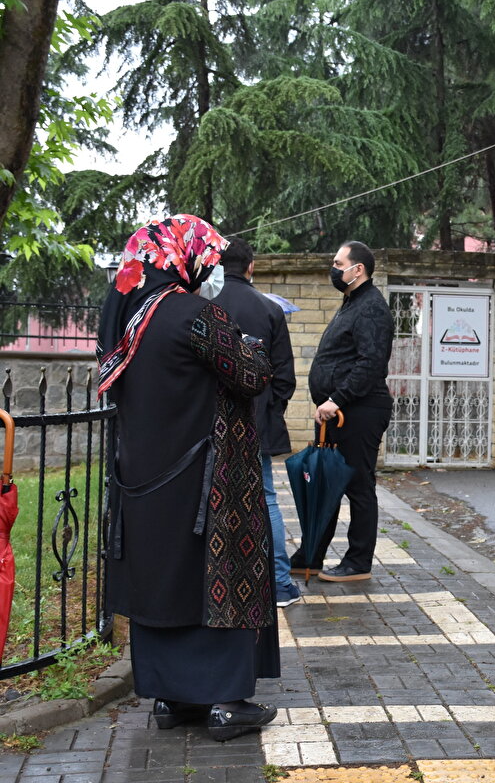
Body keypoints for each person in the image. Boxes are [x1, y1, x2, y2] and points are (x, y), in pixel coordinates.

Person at [98, 215, 279, 742]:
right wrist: (255, 348)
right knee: (209, 579)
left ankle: (172, 699)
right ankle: (225, 703)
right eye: (208, 257)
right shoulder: (196, 314)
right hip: (206, 482)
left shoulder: (129, 320)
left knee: (161, 581)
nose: (211, 268)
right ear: (182, 257)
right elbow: (251, 375)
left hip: (144, 481)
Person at [293, 241, 394, 581]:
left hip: (358, 410)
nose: (334, 269)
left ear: (358, 269)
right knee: (326, 484)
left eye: (339, 263)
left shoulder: (371, 307)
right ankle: (311, 555)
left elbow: (370, 363)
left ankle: (358, 562)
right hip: (336, 412)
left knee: (357, 485)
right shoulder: (352, 303)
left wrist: (337, 398)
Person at [212, 237, 300, 607]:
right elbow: (285, 377)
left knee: (212, 498)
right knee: (265, 499)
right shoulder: (270, 310)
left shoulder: (204, 306)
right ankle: (279, 585)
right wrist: (268, 409)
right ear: (251, 266)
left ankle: (221, 581)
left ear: (218, 266)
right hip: (256, 422)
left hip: (211, 423)